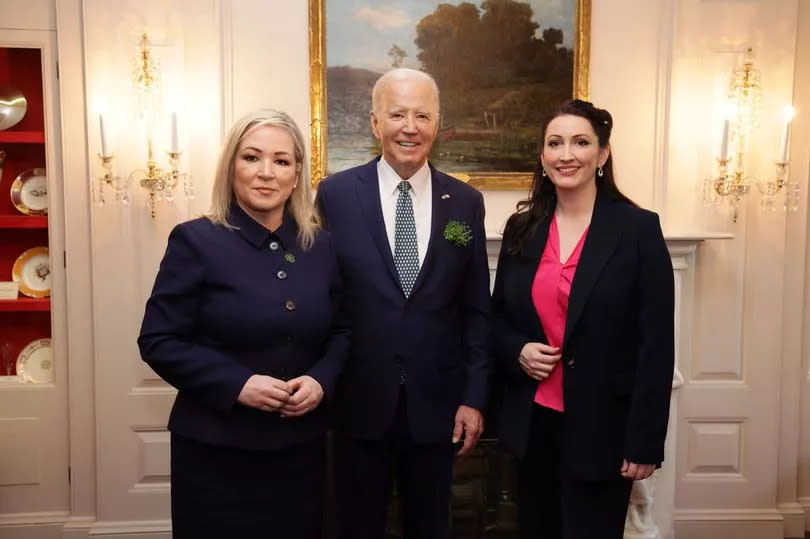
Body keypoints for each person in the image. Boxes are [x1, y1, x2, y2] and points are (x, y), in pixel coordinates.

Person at [138, 109, 348, 538]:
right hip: (216, 452)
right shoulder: (195, 240)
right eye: (252, 158)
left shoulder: (321, 246)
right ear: (231, 166)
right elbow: (159, 340)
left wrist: (321, 380)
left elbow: (343, 331)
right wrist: (238, 384)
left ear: (297, 174)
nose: (266, 173)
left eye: (282, 161)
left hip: (301, 451)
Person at [316, 68, 491, 538]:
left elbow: (476, 310)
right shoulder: (334, 195)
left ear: (438, 124)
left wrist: (474, 399)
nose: (409, 127)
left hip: (438, 408)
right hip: (357, 402)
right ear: (375, 123)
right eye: (397, 114)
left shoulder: (466, 203)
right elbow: (323, 301)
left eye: (422, 115)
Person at [491, 99, 674, 538]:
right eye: (554, 143)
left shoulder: (637, 230)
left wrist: (644, 441)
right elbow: (496, 320)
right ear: (542, 156)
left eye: (580, 142)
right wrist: (517, 351)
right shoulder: (523, 228)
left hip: (602, 430)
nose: (565, 154)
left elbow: (656, 344)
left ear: (602, 154)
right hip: (532, 426)